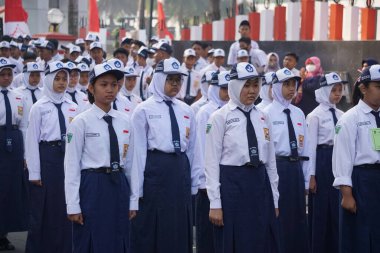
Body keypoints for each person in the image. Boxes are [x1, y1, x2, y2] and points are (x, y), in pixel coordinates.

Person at [64, 61, 139, 252]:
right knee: (91, 238)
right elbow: (71, 165)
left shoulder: (125, 121)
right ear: (91, 88)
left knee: (118, 237)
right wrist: (73, 205)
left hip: (118, 184)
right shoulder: (81, 122)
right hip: (92, 185)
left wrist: (133, 199)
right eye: (103, 84)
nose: (110, 89)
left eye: (114, 84)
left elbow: (131, 163)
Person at [206, 62, 279, 252]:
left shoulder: (263, 116)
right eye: (246, 85)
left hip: (259, 184)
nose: (252, 91)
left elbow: (271, 161)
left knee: (260, 239)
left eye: (255, 85)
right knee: (234, 240)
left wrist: (275, 198)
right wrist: (215, 203)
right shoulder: (219, 117)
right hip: (232, 186)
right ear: (234, 85)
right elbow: (211, 162)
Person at [130, 58, 199, 253]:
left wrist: (195, 181)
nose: (176, 84)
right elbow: (137, 153)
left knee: (178, 224)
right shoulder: (143, 109)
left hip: (179, 171)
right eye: (171, 79)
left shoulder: (186, 110)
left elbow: (193, 148)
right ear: (159, 80)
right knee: (153, 226)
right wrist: (137, 191)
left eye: (178, 80)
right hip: (155, 171)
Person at [25, 61, 79, 253]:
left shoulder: (73, 106)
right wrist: (34, 172)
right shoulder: (39, 107)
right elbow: (32, 141)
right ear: (48, 80)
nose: (62, 82)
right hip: (48, 156)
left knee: (65, 205)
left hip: (68, 157)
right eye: (57, 78)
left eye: (65, 78)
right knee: (45, 208)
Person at [332, 64, 380, 253]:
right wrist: (347, 193)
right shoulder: (349, 118)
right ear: (363, 88)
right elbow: (342, 157)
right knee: (361, 233)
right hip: (362, 180)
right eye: (378, 86)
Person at [263, 68, 310, 253]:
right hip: (276, 168)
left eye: (294, 84)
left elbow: (305, 149)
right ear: (275, 86)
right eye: (287, 84)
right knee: (277, 216)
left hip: (295, 169)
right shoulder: (264, 113)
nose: (292, 89)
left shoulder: (299, 113)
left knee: (296, 217)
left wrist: (306, 177)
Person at [307, 72, 345, 253]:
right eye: (333, 90)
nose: (337, 94)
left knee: (337, 206)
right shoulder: (315, 116)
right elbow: (311, 147)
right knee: (322, 208)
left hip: (339, 159)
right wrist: (311, 175)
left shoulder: (342, 114)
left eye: (340, 90)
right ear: (323, 91)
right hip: (322, 160)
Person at [194, 71, 230, 253]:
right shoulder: (205, 112)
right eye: (223, 89)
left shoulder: (232, 110)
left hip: (227, 177)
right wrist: (202, 182)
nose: (227, 93)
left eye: (229, 88)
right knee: (207, 236)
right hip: (207, 182)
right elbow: (200, 148)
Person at [0, 57, 28, 251]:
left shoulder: (18, 96)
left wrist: (25, 154)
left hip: (15, 140)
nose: (6, 78)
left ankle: (4, 233)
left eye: (9, 74)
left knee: (10, 189)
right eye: (2, 74)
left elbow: (24, 125)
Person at [14, 62, 44, 126]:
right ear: (26, 75)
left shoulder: (44, 93)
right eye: (32, 75)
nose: (35, 78)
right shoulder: (17, 93)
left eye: (38, 75)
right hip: (24, 129)